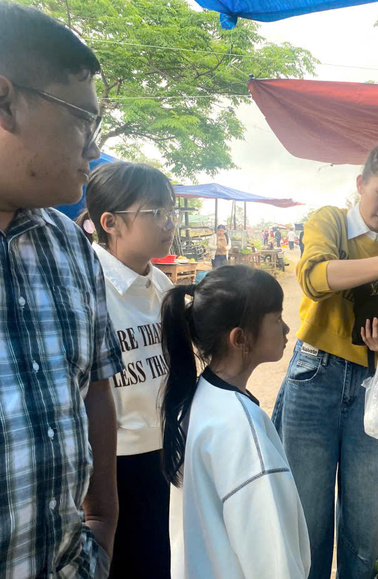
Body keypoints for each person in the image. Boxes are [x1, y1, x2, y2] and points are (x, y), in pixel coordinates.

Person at [275, 127, 378, 579]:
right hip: (315, 377)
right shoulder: (330, 222)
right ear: (361, 184)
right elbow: (313, 278)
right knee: (306, 517)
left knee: (367, 523)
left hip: (375, 382)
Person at [0, 4, 123, 576]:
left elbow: (95, 387)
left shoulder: (71, 246)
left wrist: (102, 524)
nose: (93, 149)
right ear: (4, 98)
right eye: (82, 119)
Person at [161, 266, 310, 578]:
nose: (286, 329)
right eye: (276, 318)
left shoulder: (197, 397)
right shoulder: (241, 428)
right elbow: (274, 561)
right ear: (240, 338)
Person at [77, 162, 176, 578]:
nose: (169, 223)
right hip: (114, 466)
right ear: (110, 222)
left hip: (165, 452)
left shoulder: (163, 286)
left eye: (171, 210)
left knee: (161, 558)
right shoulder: (88, 285)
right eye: (156, 213)